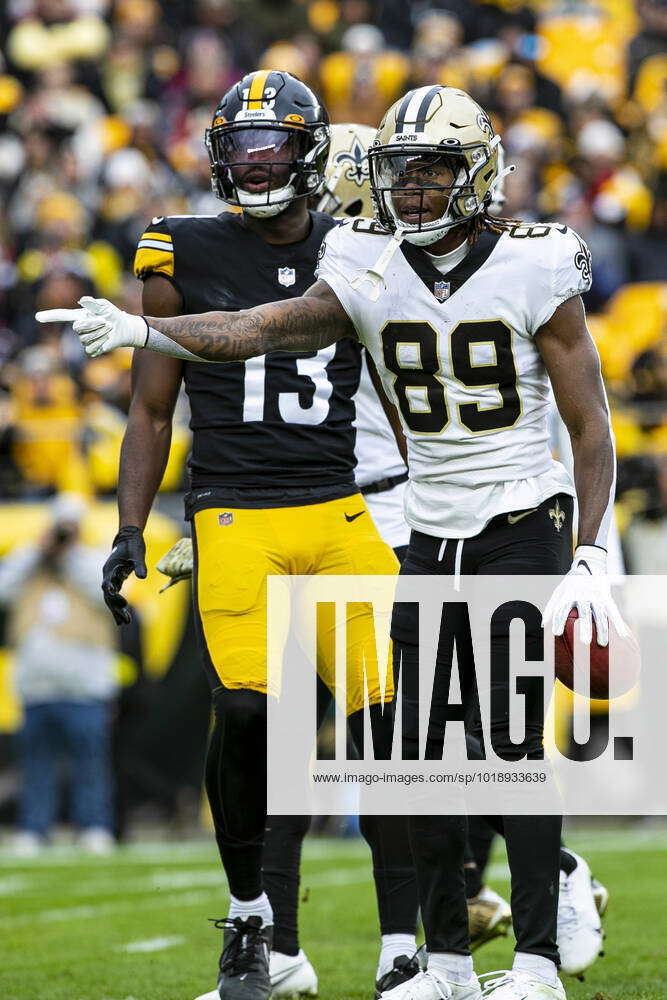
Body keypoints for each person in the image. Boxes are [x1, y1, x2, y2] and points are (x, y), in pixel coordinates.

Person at [39, 84, 625, 1000]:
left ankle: (530, 921)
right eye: (390, 179)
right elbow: (254, 332)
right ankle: (384, 953)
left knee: (469, 737)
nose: (402, 198)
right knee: (360, 744)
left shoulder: (496, 261)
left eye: (424, 177)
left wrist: (585, 546)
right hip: (368, 513)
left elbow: (577, 422)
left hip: (461, 508)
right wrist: (150, 340)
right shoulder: (355, 259)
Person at [41, 72, 418, 1000]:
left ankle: (406, 946)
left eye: (274, 146)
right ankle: (251, 926)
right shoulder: (181, 245)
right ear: (218, 157)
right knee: (247, 715)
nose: (256, 163)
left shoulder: (359, 246)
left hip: (339, 506)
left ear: (310, 153)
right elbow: (151, 403)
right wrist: (132, 525)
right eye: (241, 146)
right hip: (231, 511)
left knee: (388, 728)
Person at [0, 493, 117, 855]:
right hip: (36, 686)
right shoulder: (28, 563)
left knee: (91, 762)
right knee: (35, 763)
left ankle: (94, 826)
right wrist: (38, 552)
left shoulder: (96, 561)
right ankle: (34, 828)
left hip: (84, 686)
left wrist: (68, 556)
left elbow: (107, 594)